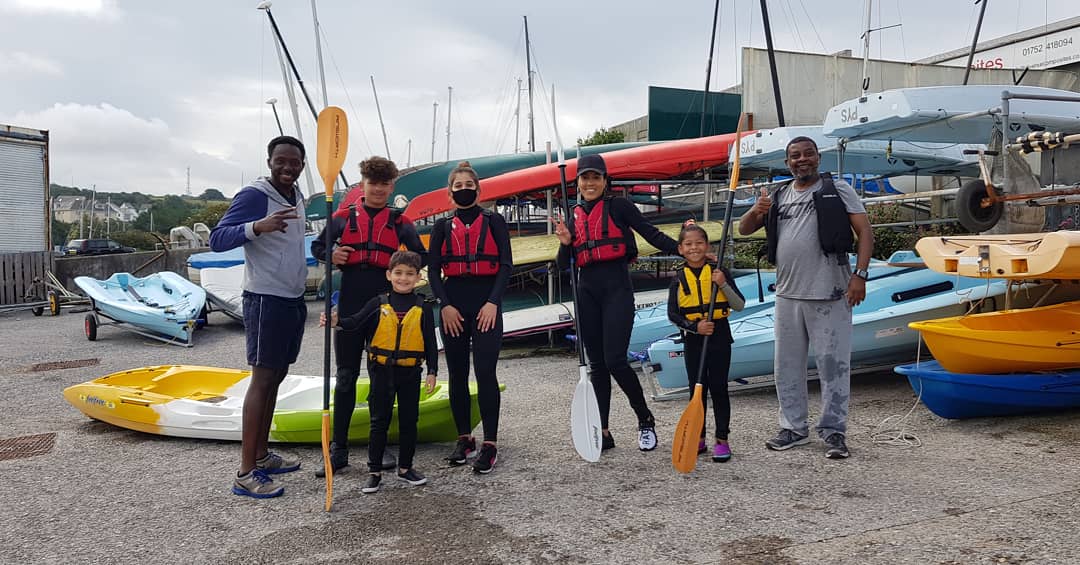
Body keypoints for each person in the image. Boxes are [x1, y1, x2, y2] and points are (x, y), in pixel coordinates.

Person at [737, 136, 873, 459]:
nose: (802, 160)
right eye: (795, 156)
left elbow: (865, 233)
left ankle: (834, 431)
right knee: (786, 366)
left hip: (830, 293)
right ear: (787, 163)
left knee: (833, 366)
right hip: (787, 295)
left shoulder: (837, 189)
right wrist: (757, 210)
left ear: (818, 158)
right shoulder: (779, 195)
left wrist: (860, 275)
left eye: (808, 154)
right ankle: (793, 428)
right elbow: (743, 229)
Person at [553, 153, 681, 453]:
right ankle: (604, 430)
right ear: (578, 183)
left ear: (605, 181)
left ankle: (645, 419)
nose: (590, 183)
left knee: (615, 360)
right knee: (597, 365)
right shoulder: (572, 214)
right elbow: (563, 265)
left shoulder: (619, 206)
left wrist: (682, 250)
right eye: (585, 178)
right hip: (586, 292)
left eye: (596, 177)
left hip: (617, 290)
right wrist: (564, 243)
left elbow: (650, 233)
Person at [310, 156, 427, 478]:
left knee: (383, 378)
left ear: (391, 187)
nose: (378, 189)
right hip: (350, 300)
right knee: (345, 377)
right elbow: (318, 248)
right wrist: (330, 254)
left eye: (384, 184)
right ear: (363, 184)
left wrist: (402, 261)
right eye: (372, 183)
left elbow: (421, 255)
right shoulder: (341, 218)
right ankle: (339, 448)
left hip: (383, 306)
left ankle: (380, 444)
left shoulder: (401, 223)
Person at [209, 135, 308, 498]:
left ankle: (263, 456)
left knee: (277, 376)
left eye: (294, 162)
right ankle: (245, 472)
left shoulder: (296, 195)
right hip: (265, 298)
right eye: (280, 161)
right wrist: (256, 227)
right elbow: (217, 239)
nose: (287, 167)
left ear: (301, 165)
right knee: (262, 380)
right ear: (269, 161)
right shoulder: (254, 195)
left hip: (292, 299)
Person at [321, 251, 438, 494]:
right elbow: (354, 322)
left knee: (409, 422)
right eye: (398, 273)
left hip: (410, 373)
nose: (403, 278)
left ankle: (406, 468)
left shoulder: (423, 308)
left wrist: (432, 371)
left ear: (418, 277)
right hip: (381, 371)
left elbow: (429, 342)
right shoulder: (378, 303)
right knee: (378, 422)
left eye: (409, 274)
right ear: (389, 275)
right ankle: (374, 472)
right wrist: (336, 322)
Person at [427, 161, 512, 474]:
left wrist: (493, 303)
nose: (464, 190)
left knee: (486, 372)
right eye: (458, 186)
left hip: (486, 303)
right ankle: (465, 437)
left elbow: (505, 265)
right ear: (450, 194)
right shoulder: (440, 227)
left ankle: (490, 443)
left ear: (479, 189)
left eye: (469, 185)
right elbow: (433, 270)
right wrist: (444, 305)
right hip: (453, 305)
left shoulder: (494, 222)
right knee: (458, 373)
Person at [667, 222, 745, 462]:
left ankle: (722, 440)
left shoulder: (719, 272)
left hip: (720, 336)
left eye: (699, 243)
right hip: (694, 340)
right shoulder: (678, 278)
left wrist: (722, 283)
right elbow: (673, 314)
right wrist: (695, 327)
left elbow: (739, 304)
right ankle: (697, 437)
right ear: (681, 249)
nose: (694, 248)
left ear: (707, 246)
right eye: (688, 244)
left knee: (719, 388)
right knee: (697, 391)